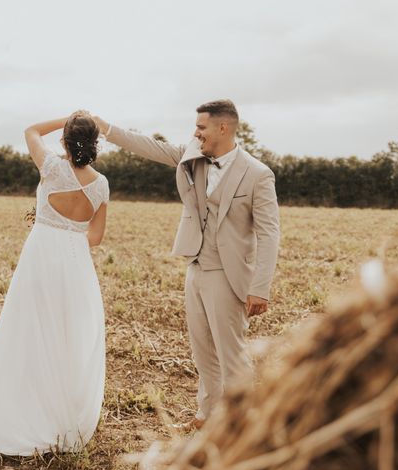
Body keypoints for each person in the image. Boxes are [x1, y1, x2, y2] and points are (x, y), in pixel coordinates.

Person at [94, 99, 279, 430]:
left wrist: (259, 287)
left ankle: (243, 427)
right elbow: (151, 147)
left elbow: (269, 234)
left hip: (229, 273)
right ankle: (206, 416)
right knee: (202, 351)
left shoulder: (258, 174)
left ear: (223, 128)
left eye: (201, 127)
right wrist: (107, 129)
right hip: (196, 267)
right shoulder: (194, 156)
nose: (196, 133)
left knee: (231, 355)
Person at [0, 111, 110, 455]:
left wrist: (67, 116)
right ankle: (58, 420)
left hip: (41, 258)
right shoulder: (101, 183)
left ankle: (17, 413)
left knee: (26, 330)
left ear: (64, 139)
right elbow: (96, 237)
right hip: (76, 267)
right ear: (94, 144)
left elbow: (30, 129)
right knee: (65, 337)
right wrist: (70, 232)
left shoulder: (51, 167)